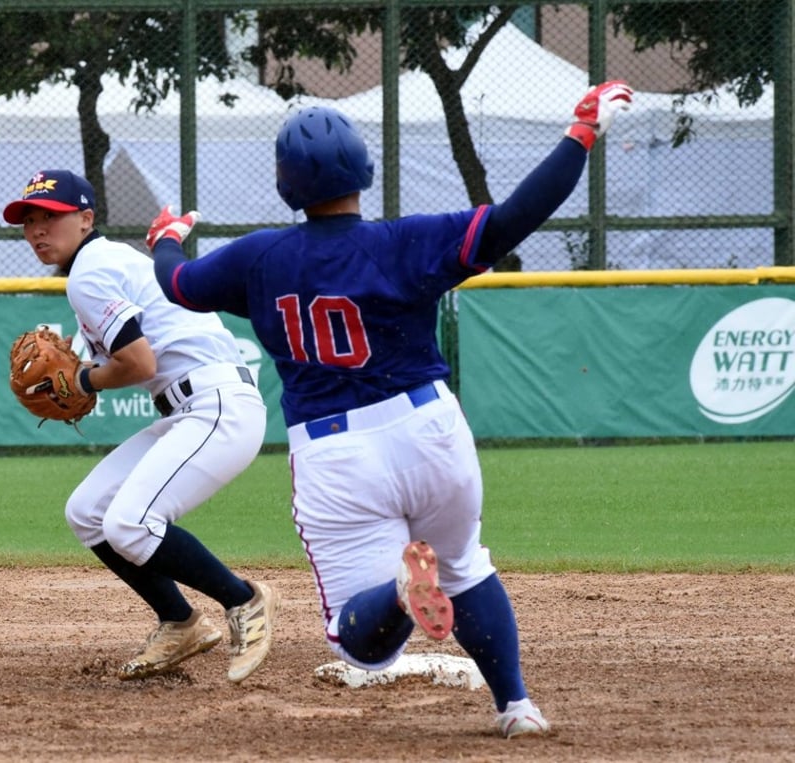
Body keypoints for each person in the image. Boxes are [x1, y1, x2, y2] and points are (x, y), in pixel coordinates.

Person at [147, 81, 633, 735]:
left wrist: (166, 237)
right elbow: (515, 216)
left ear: (287, 185)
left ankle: (402, 597)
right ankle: (516, 705)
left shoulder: (260, 258)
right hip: (428, 427)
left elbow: (178, 284)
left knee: (362, 643)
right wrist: (580, 134)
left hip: (336, 452)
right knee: (466, 565)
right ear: (364, 170)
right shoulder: (409, 241)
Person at [1, 170, 280, 684]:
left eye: (51, 218)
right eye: (30, 221)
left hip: (218, 407)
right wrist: (82, 371)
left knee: (129, 523)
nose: (38, 230)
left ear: (85, 219)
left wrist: (83, 378)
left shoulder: (90, 272)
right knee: (89, 512)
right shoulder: (105, 262)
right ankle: (181, 622)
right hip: (192, 410)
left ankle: (245, 601)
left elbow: (139, 363)